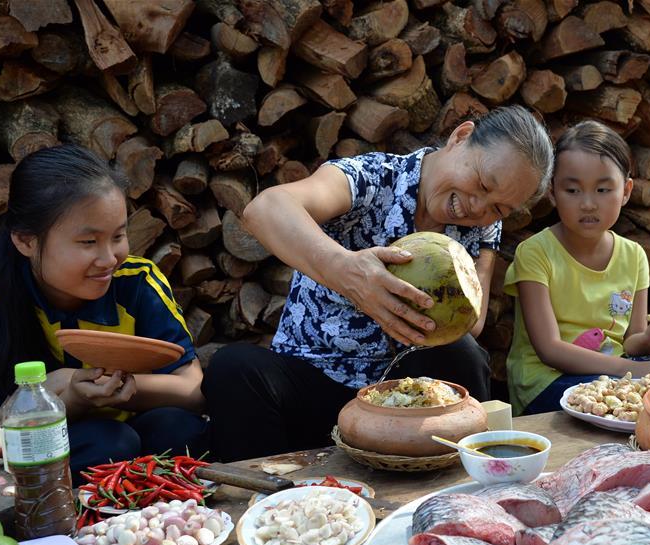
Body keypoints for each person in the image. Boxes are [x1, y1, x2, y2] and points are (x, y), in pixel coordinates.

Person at [203, 105, 554, 461]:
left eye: (499, 209)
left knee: (460, 354)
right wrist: (346, 271)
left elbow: (472, 323)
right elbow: (265, 208)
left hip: (404, 404)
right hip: (313, 384)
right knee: (234, 368)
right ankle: (267, 489)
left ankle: (462, 480)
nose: (478, 208)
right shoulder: (372, 178)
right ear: (461, 137)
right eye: (482, 184)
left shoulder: (482, 226)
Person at [0, 144, 207, 477]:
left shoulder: (138, 282)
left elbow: (192, 391)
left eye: (118, 236)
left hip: (136, 433)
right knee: (109, 442)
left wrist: (74, 380)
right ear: (26, 241)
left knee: (178, 427)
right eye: (88, 242)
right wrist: (71, 400)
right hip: (38, 467)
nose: (109, 259)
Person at [504, 120, 650, 417]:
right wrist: (630, 369)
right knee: (636, 400)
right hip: (548, 381)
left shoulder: (634, 256)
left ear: (626, 191)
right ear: (552, 192)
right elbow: (549, 349)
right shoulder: (535, 253)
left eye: (603, 189)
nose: (588, 204)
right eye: (572, 190)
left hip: (615, 372)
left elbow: (632, 341)